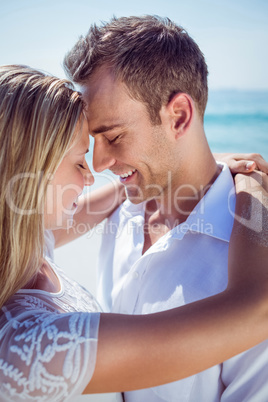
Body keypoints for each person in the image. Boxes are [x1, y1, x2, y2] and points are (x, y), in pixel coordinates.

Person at [0, 66, 267, 402]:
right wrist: (253, 183)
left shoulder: (25, 244)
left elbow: (119, 193)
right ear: (29, 172)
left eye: (112, 137)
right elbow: (258, 309)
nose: (91, 175)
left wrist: (201, 162)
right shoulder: (28, 349)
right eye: (80, 161)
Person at [63, 15, 268, 401]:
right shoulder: (119, 210)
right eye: (92, 140)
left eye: (114, 136)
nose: (98, 164)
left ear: (179, 116)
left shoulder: (254, 255)